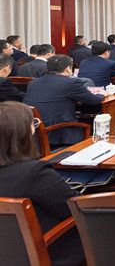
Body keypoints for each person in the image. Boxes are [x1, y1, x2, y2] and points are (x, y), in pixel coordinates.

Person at [0, 101, 84, 266]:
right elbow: (77, 207)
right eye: (33, 124)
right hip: (49, 253)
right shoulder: (34, 173)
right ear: (21, 134)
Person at [24, 55, 106, 147]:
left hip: (35, 132)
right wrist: (103, 94)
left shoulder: (33, 83)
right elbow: (93, 100)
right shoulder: (71, 82)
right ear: (67, 69)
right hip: (60, 133)